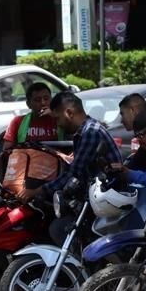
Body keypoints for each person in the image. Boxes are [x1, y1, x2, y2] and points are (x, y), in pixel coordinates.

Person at [18, 92, 122, 245]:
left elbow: (75, 174)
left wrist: (37, 191)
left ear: (69, 113)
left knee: (59, 228)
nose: (57, 124)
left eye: (57, 118)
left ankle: (82, 267)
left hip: (105, 201)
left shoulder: (90, 133)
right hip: (93, 198)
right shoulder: (83, 132)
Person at [3, 82, 64, 147]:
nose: (43, 103)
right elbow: (6, 149)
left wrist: (54, 116)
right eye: (37, 100)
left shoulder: (62, 119)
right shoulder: (18, 121)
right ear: (28, 104)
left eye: (46, 99)